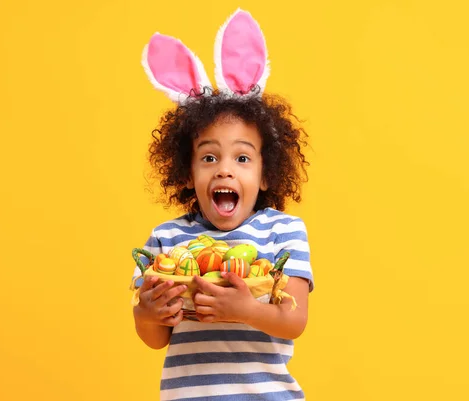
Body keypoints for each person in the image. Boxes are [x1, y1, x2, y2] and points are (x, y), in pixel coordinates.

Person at [132, 9, 314, 401]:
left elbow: (295, 320)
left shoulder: (283, 231)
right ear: (186, 173)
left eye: (242, 158)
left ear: (266, 176)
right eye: (209, 158)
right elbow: (154, 338)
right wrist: (148, 313)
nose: (224, 171)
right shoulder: (167, 240)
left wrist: (245, 310)